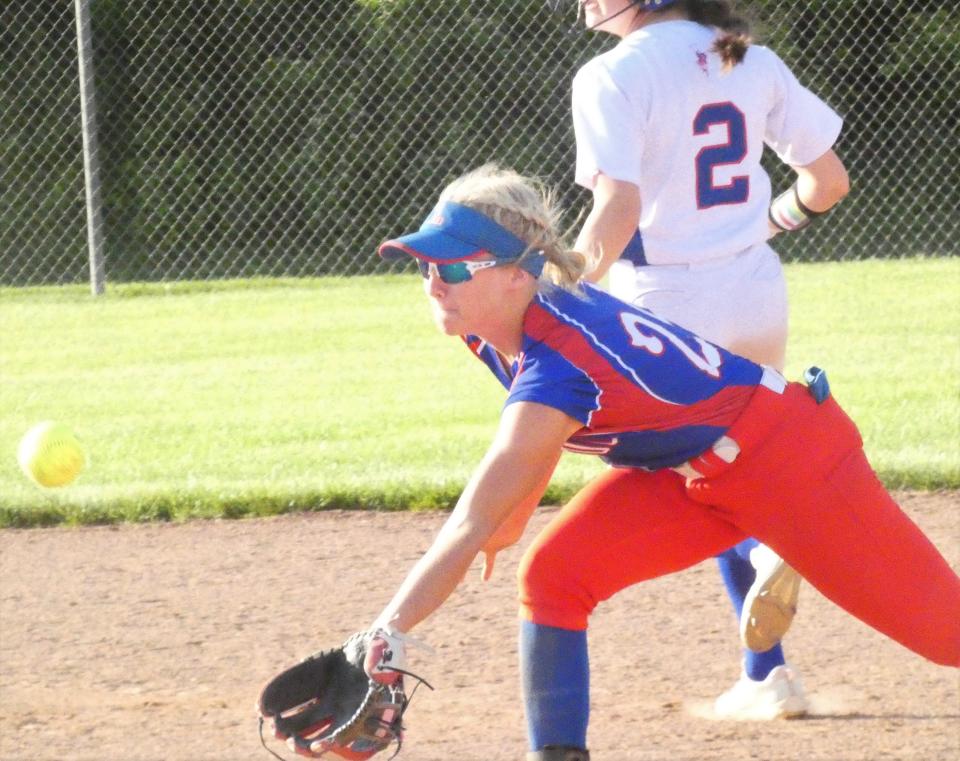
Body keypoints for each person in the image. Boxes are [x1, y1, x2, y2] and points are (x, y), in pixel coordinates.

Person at [371, 165, 960, 761]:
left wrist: (387, 632)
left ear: (517, 276)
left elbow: (472, 518)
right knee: (554, 577)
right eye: (424, 266)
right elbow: (532, 450)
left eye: (451, 268)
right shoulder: (493, 329)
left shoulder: (562, 360)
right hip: (694, 473)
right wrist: (513, 519)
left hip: (790, 462)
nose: (432, 283)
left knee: (946, 635)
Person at [564, 0, 851, 717]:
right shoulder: (743, 54)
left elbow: (619, 205)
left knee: (686, 473)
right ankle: (766, 673)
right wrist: (773, 222)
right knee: (732, 462)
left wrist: (563, 294)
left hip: (664, 301)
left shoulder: (611, 74)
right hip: (754, 288)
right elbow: (830, 183)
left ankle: (761, 555)